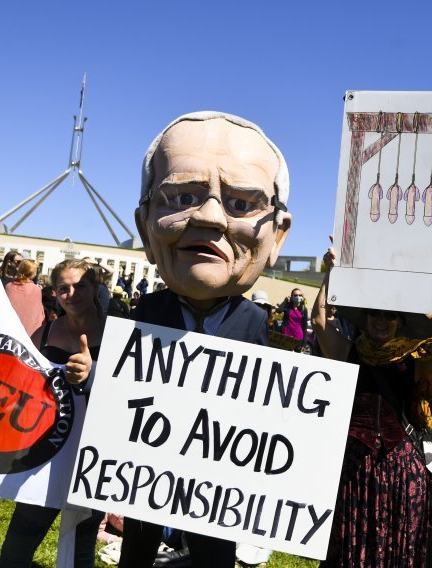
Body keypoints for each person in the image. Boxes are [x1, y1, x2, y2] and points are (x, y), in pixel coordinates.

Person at [111, 111, 291, 568]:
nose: (210, 217)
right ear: (144, 224)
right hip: (146, 474)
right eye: (183, 197)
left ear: (277, 237)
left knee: (214, 556)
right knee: (138, 550)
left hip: (219, 483)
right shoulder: (147, 312)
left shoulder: (254, 323)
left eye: (240, 204)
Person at [313, 244, 432, 567]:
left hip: (401, 463)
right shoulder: (348, 351)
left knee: (401, 540)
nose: (381, 321)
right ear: (366, 318)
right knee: (351, 533)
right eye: (375, 314)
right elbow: (319, 319)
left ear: (400, 322)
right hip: (355, 462)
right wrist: (331, 273)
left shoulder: (414, 361)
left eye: (389, 315)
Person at [0, 259, 104, 568]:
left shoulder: (119, 335)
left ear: (96, 287)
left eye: (80, 286)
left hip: (93, 456)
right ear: (55, 293)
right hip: (47, 449)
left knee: (80, 546)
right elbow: (20, 384)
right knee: (19, 541)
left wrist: (93, 373)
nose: (72, 294)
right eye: (63, 288)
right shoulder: (43, 335)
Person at [5, 259, 45, 336]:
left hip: (9, 330)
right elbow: (37, 314)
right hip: (29, 333)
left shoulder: (8, 286)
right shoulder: (36, 289)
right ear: (33, 273)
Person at [280, 287, 308, 352]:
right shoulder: (288, 306)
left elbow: (305, 326)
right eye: (295, 295)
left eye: (300, 295)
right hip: (286, 336)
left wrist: (304, 344)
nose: (298, 297)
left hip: (298, 338)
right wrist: (285, 301)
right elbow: (279, 310)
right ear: (292, 296)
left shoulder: (304, 309)